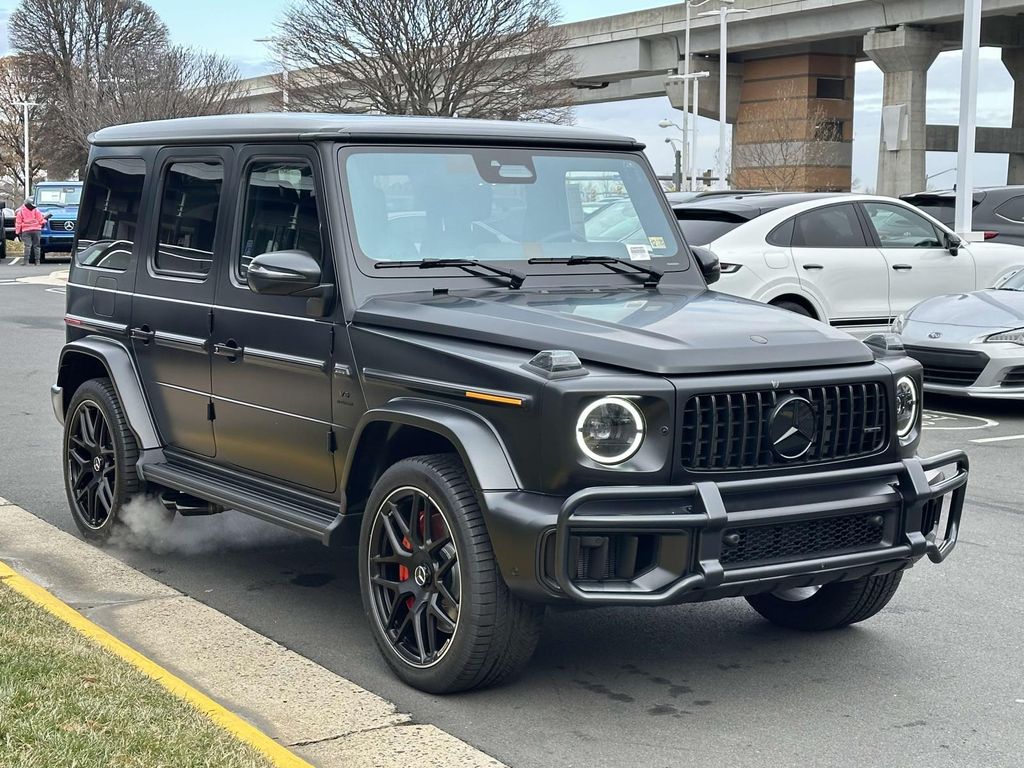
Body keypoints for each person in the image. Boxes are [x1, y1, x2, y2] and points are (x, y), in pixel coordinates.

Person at [15, 198, 47, 265]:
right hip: (36, 230)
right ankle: (37, 261)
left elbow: (18, 223)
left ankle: (26, 261)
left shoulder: (20, 212)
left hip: (26, 230)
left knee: (27, 246)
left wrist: (18, 232)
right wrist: (45, 221)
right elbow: (41, 220)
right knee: (37, 246)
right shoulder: (36, 210)